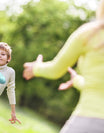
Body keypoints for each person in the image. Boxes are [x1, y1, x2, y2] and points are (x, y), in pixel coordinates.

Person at [23, 0, 104, 132]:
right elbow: (97, 86)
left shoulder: (90, 34)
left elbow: (55, 70)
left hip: (89, 120)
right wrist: (76, 80)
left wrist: (36, 68)